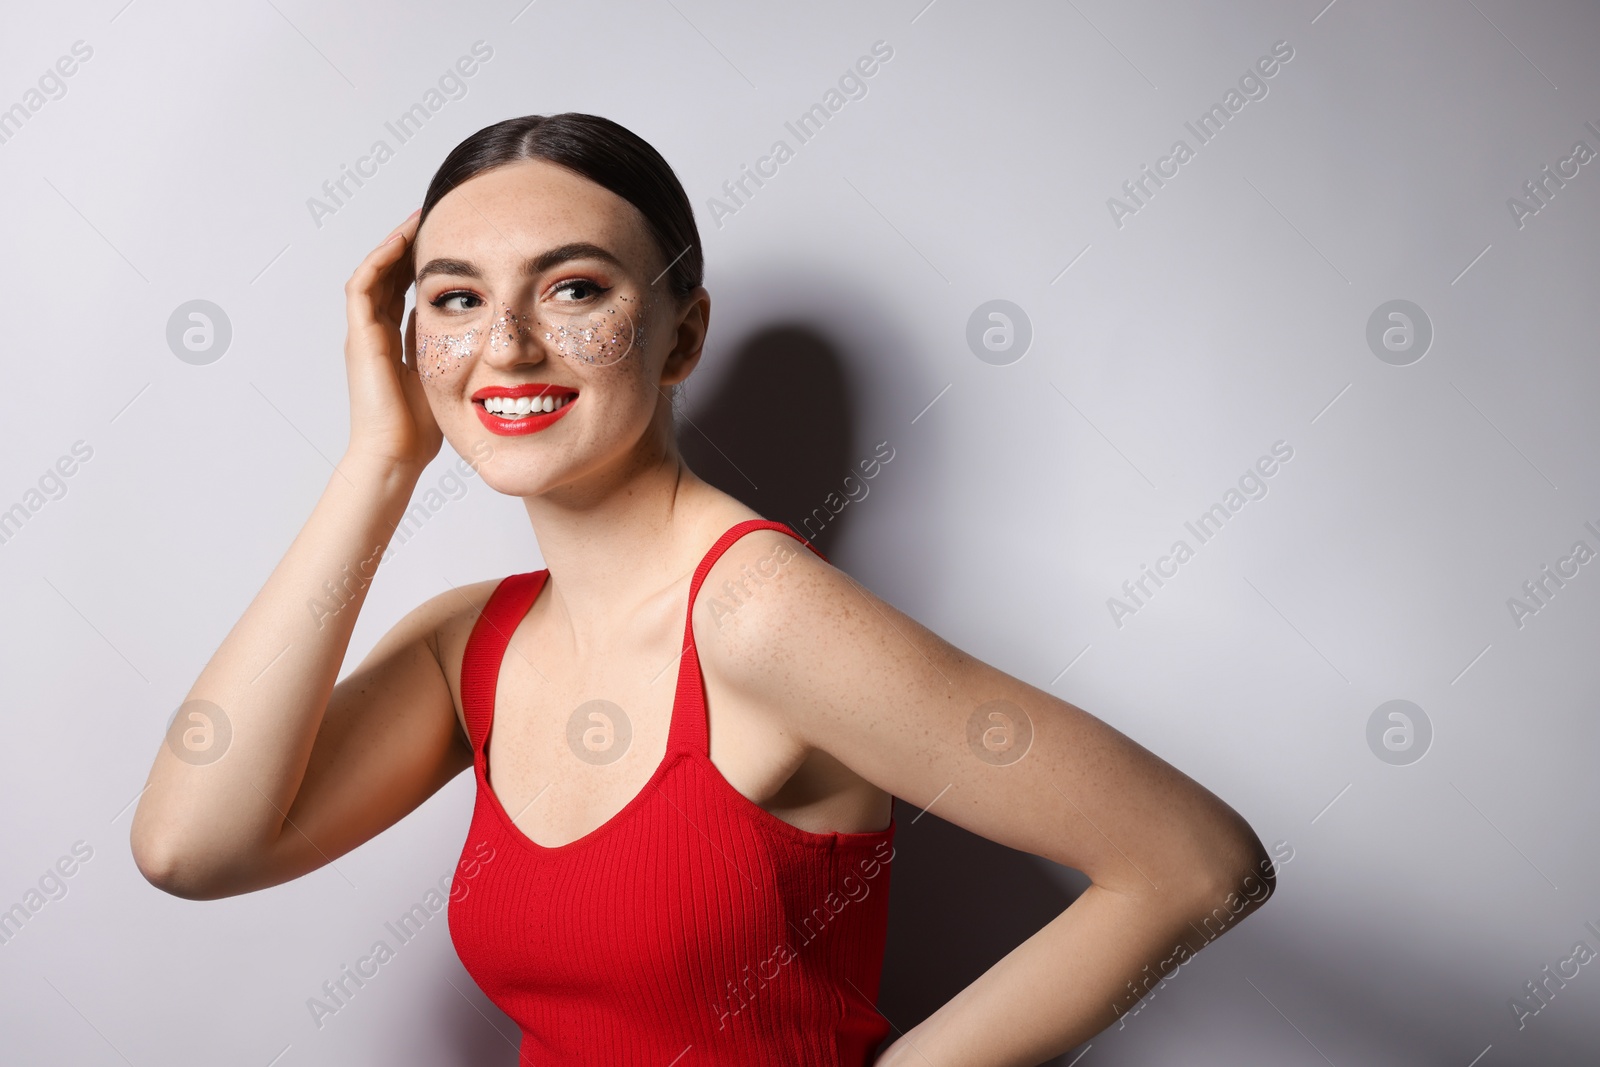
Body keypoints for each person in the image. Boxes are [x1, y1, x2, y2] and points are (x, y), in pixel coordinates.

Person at [130, 112, 1275, 1065]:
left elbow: (1192, 862)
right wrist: (378, 463)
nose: (508, 345)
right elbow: (192, 846)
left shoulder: (761, 614)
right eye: (456, 299)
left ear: (683, 336)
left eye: (572, 289)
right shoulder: (471, 639)